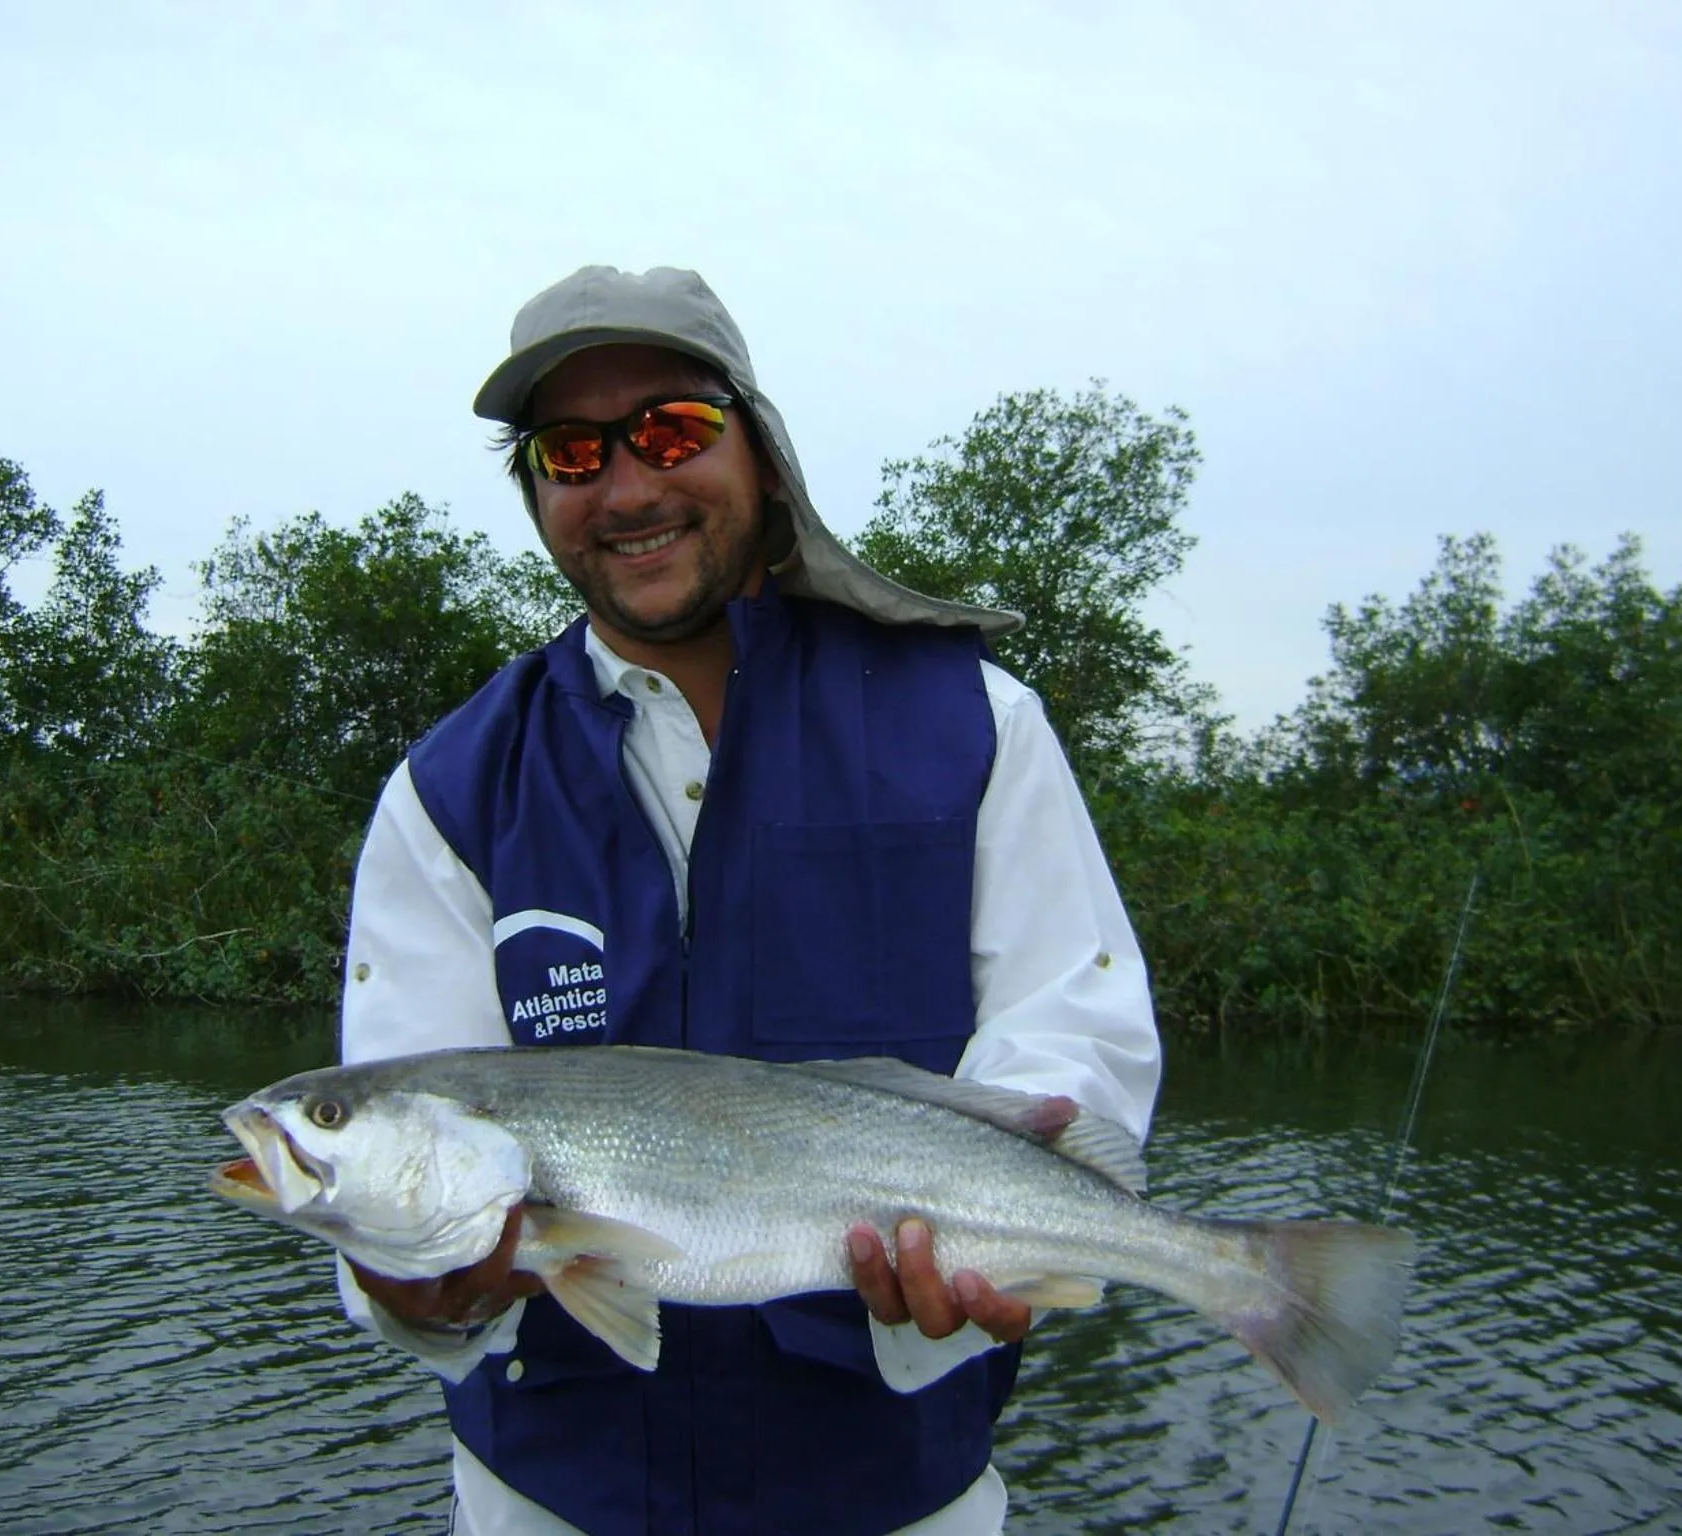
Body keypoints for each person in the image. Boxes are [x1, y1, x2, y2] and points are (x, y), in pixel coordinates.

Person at [337, 265, 1162, 1536]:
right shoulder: (447, 789)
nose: (625, 487)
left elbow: (1075, 1028)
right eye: (569, 452)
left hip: (895, 1495)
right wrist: (413, 1286)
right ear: (538, 492)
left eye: (671, 430)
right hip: (547, 1501)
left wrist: (994, 1239)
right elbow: (401, 1146)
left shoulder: (974, 725)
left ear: (760, 453)